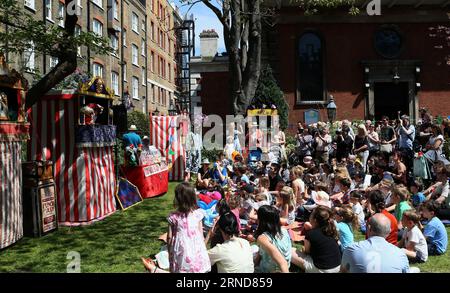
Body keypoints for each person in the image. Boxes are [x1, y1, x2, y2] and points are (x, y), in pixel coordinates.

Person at [341, 213, 410, 273]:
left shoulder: (352, 249)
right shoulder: (400, 254)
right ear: (389, 231)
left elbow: (343, 271)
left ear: (369, 228)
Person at [166, 182, 211, 273]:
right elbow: (201, 235)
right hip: (196, 253)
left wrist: (170, 251)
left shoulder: (173, 217)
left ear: (178, 199)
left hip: (181, 254)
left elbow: (169, 237)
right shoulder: (198, 215)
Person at [291, 205, 342, 273]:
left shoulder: (311, 234)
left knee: (291, 251)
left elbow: (307, 252)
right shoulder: (331, 231)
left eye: (311, 214)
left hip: (322, 269)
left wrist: (303, 249)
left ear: (314, 220)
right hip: (338, 267)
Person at [254, 205, 292, 273]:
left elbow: (282, 262)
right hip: (286, 265)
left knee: (252, 249)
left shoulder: (263, 238)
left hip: (271, 270)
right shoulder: (284, 230)